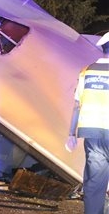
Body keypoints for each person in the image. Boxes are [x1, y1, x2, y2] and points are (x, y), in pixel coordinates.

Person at [65, 31, 109, 214]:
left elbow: (77, 104)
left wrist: (70, 133)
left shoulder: (86, 71)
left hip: (92, 132)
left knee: (95, 182)